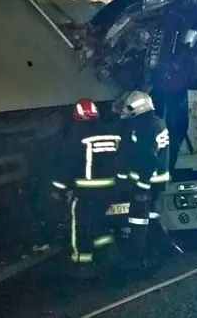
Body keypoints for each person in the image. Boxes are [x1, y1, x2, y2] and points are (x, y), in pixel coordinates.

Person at [112, 90, 170, 269]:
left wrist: (141, 185)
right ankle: (163, 249)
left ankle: (138, 258)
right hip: (157, 180)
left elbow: (148, 158)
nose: (124, 112)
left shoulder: (144, 125)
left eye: (127, 108)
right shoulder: (156, 122)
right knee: (152, 215)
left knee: (138, 219)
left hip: (146, 181)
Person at [66, 98, 122, 270]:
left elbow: (69, 164)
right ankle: (109, 256)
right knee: (101, 222)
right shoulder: (112, 133)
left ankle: (81, 260)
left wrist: (62, 187)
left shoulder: (77, 136)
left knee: (80, 223)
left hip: (86, 190)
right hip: (110, 188)